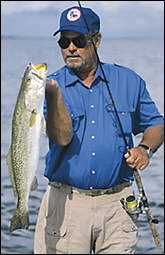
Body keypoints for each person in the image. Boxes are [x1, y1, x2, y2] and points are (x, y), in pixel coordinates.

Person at [34, 6, 164, 254]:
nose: (71, 47)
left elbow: (156, 124)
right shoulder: (49, 86)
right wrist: (51, 93)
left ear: (97, 40)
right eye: (64, 41)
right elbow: (61, 138)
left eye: (79, 40)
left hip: (118, 207)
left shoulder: (129, 80)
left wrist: (145, 148)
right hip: (66, 205)